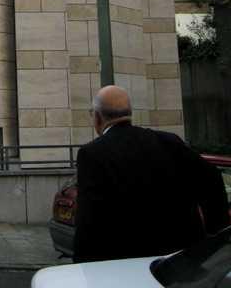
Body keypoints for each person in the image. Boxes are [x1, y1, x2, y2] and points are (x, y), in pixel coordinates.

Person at [73, 85, 228, 263]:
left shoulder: (92, 154)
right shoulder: (169, 141)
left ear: (98, 117)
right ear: (128, 113)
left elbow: (88, 221)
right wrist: (214, 238)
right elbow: (212, 179)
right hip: (180, 263)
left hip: (125, 264)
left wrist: (82, 266)